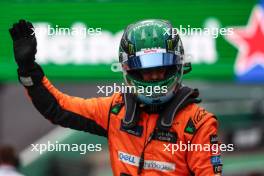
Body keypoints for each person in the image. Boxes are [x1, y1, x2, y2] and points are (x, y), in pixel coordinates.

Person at [9, 19, 222, 176]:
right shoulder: (115, 110)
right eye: (146, 71)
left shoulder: (197, 124)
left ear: (177, 67)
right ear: (130, 71)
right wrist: (28, 69)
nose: (155, 77)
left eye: (162, 68)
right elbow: (57, 109)